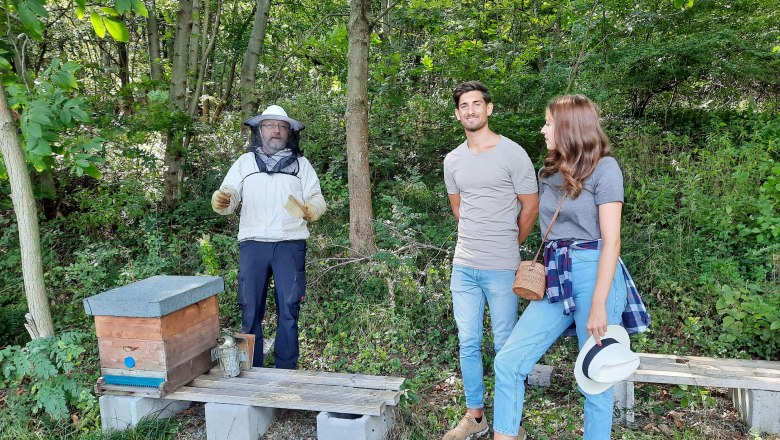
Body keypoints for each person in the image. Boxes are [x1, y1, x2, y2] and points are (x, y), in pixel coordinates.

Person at [492, 95, 650, 440]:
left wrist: (598, 303)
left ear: (568, 127)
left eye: (548, 123)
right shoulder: (548, 171)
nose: (543, 129)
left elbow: (613, 241)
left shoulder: (606, 169)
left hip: (595, 271)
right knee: (508, 361)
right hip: (555, 272)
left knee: (596, 378)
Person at [442, 81, 539, 440]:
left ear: (489, 108)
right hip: (463, 266)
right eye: (464, 106)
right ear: (458, 114)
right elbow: (459, 209)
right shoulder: (452, 160)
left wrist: (509, 244)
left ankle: (508, 423)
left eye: (476, 104)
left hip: (502, 268)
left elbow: (531, 207)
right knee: (468, 342)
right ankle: (476, 417)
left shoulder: (513, 154)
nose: (470, 110)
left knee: (504, 345)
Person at [211, 104, 326, 369]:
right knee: (250, 308)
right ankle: (251, 368)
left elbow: (316, 197)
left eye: (282, 126)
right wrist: (222, 200)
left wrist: (313, 209)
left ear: (289, 132)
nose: (276, 130)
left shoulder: (301, 165)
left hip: (290, 244)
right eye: (270, 125)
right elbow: (229, 194)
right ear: (260, 130)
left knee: (289, 309)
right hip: (253, 244)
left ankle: (286, 369)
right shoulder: (245, 162)